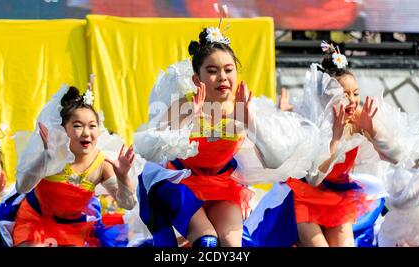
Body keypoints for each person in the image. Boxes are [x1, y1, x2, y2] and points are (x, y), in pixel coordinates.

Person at [133, 10, 321, 246]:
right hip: (179, 185)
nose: (222, 77)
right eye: (212, 71)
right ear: (196, 79)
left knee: (233, 246)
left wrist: (249, 122)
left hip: (221, 187)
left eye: (228, 69)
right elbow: (151, 150)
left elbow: (274, 160)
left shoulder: (243, 108)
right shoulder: (183, 105)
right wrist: (187, 118)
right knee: (207, 241)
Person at [282, 42, 419, 247]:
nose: (352, 100)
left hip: (338, 199)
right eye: (344, 94)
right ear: (326, 96)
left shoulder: (358, 118)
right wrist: (335, 139)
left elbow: (396, 156)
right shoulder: (312, 121)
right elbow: (314, 179)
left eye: (355, 93)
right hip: (306, 198)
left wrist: (376, 133)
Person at [10, 84, 138, 247]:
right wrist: (46, 158)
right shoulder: (52, 155)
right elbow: (22, 187)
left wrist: (123, 177)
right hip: (36, 221)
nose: (86, 132)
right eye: (78, 125)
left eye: (92, 126)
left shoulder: (102, 163)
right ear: (63, 129)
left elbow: (128, 204)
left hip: (74, 228)